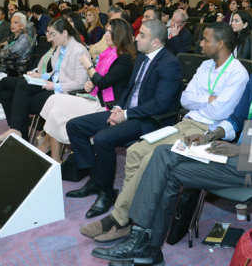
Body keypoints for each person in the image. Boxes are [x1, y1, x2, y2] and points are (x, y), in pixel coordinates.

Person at [90, 30, 252, 265]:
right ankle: (146, 245)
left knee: (166, 162)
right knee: (165, 158)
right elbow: (236, 119)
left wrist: (242, 150)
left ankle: (142, 245)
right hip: (234, 155)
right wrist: (210, 135)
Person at [79, 23, 249, 242]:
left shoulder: (238, 73)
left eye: (206, 40)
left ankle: (119, 218)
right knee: (135, 152)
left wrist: (201, 102)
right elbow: (185, 99)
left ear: (221, 43)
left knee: (151, 159)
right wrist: (208, 100)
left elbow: (221, 110)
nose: (201, 43)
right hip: (186, 123)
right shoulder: (206, 66)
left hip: (208, 132)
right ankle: (131, 217)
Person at [65, 20, 183, 218]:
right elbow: (130, 89)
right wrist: (118, 107)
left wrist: (125, 115)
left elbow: (160, 105)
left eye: (142, 35)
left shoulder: (170, 64)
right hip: (128, 112)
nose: (136, 37)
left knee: (103, 138)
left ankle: (107, 192)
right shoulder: (141, 58)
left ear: (155, 42)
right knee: (75, 126)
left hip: (151, 120)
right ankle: (96, 180)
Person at [38, 19, 135, 162]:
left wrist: (89, 66)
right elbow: (99, 80)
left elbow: (104, 81)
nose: (106, 34)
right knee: (54, 99)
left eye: (109, 31)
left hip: (106, 104)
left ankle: (51, 153)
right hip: (95, 97)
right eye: (106, 31)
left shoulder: (124, 58)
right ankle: (52, 154)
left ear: (120, 34)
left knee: (57, 109)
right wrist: (91, 84)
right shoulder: (107, 54)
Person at [0, 18, 89, 142]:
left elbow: (80, 83)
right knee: (6, 95)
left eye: (53, 34)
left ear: (64, 33)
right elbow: (55, 72)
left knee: (21, 89)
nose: (51, 38)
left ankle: (17, 131)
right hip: (53, 86)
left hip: (65, 92)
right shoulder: (60, 47)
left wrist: (54, 86)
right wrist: (41, 76)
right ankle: (18, 134)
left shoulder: (79, 50)